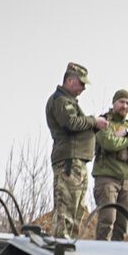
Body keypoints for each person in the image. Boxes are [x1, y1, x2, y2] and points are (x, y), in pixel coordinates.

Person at [45, 61, 107, 238]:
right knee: (66, 212)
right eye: (82, 83)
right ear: (71, 81)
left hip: (77, 163)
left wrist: (94, 126)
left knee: (76, 211)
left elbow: (77, 126)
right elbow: (71, 123)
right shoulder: (61, 100)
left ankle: (68, 248)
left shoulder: (68, 101)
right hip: (69, 163)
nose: (83, 88)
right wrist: (94, 121)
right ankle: (61, 250)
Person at [92, 89, 128, 241]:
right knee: (107, 220)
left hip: (126, 181)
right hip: (107, 179)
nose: (124, 106)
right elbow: (109, 143)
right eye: (121, 102)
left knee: (122, 224)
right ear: (114, 103)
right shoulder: (103, 122)